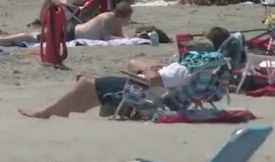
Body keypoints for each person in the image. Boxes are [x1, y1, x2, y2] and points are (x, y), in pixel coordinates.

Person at [18, 49, 188, 119]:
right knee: (91, 80)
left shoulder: (182, 70)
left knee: (86, 83)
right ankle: (108, 105)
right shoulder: (195, 69)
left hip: (147, 93)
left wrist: (151, 69)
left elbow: (152, 80)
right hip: (153, 90)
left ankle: (47, 113)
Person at [0, 3, 133, 47]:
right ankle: (0, 40)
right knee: (36, 37)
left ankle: (5, 41)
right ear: (123, 16)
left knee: (38, 37)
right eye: (128, 18)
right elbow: (108, 38)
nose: (128, 21)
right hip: (70, 32)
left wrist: (130, 39)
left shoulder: (116, 22)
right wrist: (127, 40)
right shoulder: (107, 18)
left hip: (72, 31)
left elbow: (120, 36)